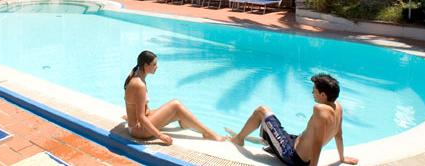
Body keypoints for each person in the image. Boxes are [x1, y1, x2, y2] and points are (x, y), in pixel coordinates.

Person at [229, 73, 358, 166]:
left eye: (314, 91)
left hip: (292, 154)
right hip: (296, 142)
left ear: (323, 95)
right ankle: (269, 141)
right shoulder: (338, 107)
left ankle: (239, 139)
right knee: (274, 127)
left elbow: (317, 144)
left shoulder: (320, 110)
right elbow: (339, 135)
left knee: (261, 111)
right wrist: (342, 158)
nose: (312, 93)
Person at [123, 50, 224, 145]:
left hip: (137, 126)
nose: (157, 67)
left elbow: (134, 106)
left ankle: (185, 122)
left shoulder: (136, 76)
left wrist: (130, 117)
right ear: (146, 65)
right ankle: (208, 133)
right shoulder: (139, 85)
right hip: (139, 131)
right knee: (175, 105)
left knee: (176, 111)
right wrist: (160, 136)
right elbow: (141, 117)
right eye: (154, 64)